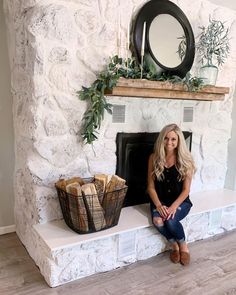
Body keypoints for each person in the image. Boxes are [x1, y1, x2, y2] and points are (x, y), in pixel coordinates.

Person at [147, 123, 196, 266]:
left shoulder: (186, 160)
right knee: (158, 221)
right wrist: (158, 204)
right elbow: (150, 187)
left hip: (180, 202)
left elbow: (186, 190)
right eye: (166, 138)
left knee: (170, 220)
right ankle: (173, 244)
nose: (169, 142)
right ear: (162, 139)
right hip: (160, 201)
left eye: (173, 139)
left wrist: (173, 206)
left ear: (179, 141)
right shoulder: (153, 158)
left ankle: (183, 246)